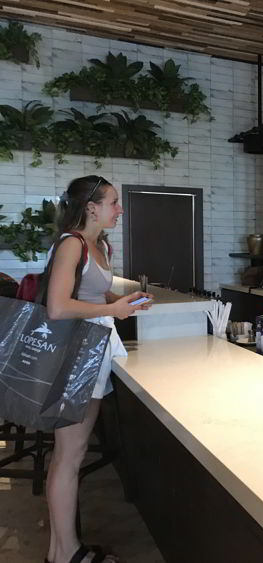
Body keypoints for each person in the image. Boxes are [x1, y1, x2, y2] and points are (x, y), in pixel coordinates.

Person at [42, 175, 152, 563]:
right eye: (114, 202)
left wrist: (124, 300)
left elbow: (89, 293)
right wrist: (112, 310)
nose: (119, 209)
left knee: (71, 455)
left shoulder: (98, 245)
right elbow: (57, 307)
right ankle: (65, 554)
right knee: (68, 457)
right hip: (73, 356)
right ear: (91, 207)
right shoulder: (72, 243)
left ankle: (62, 551)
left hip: (91, 352)